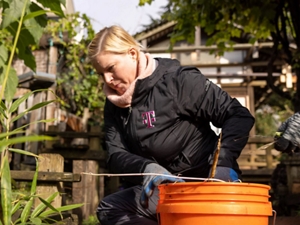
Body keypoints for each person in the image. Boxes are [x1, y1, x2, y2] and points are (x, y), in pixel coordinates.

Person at [88, 25, 255, 225]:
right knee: (110, 209)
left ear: (133, 54)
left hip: (206, 185)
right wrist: (146, 168)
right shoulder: (114, 103)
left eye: (111, 68)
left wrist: (223, 164)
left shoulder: (179, 81)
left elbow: (238, 115)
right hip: (163, 191)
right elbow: (115, 154)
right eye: (101, 74)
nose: (107, 80)